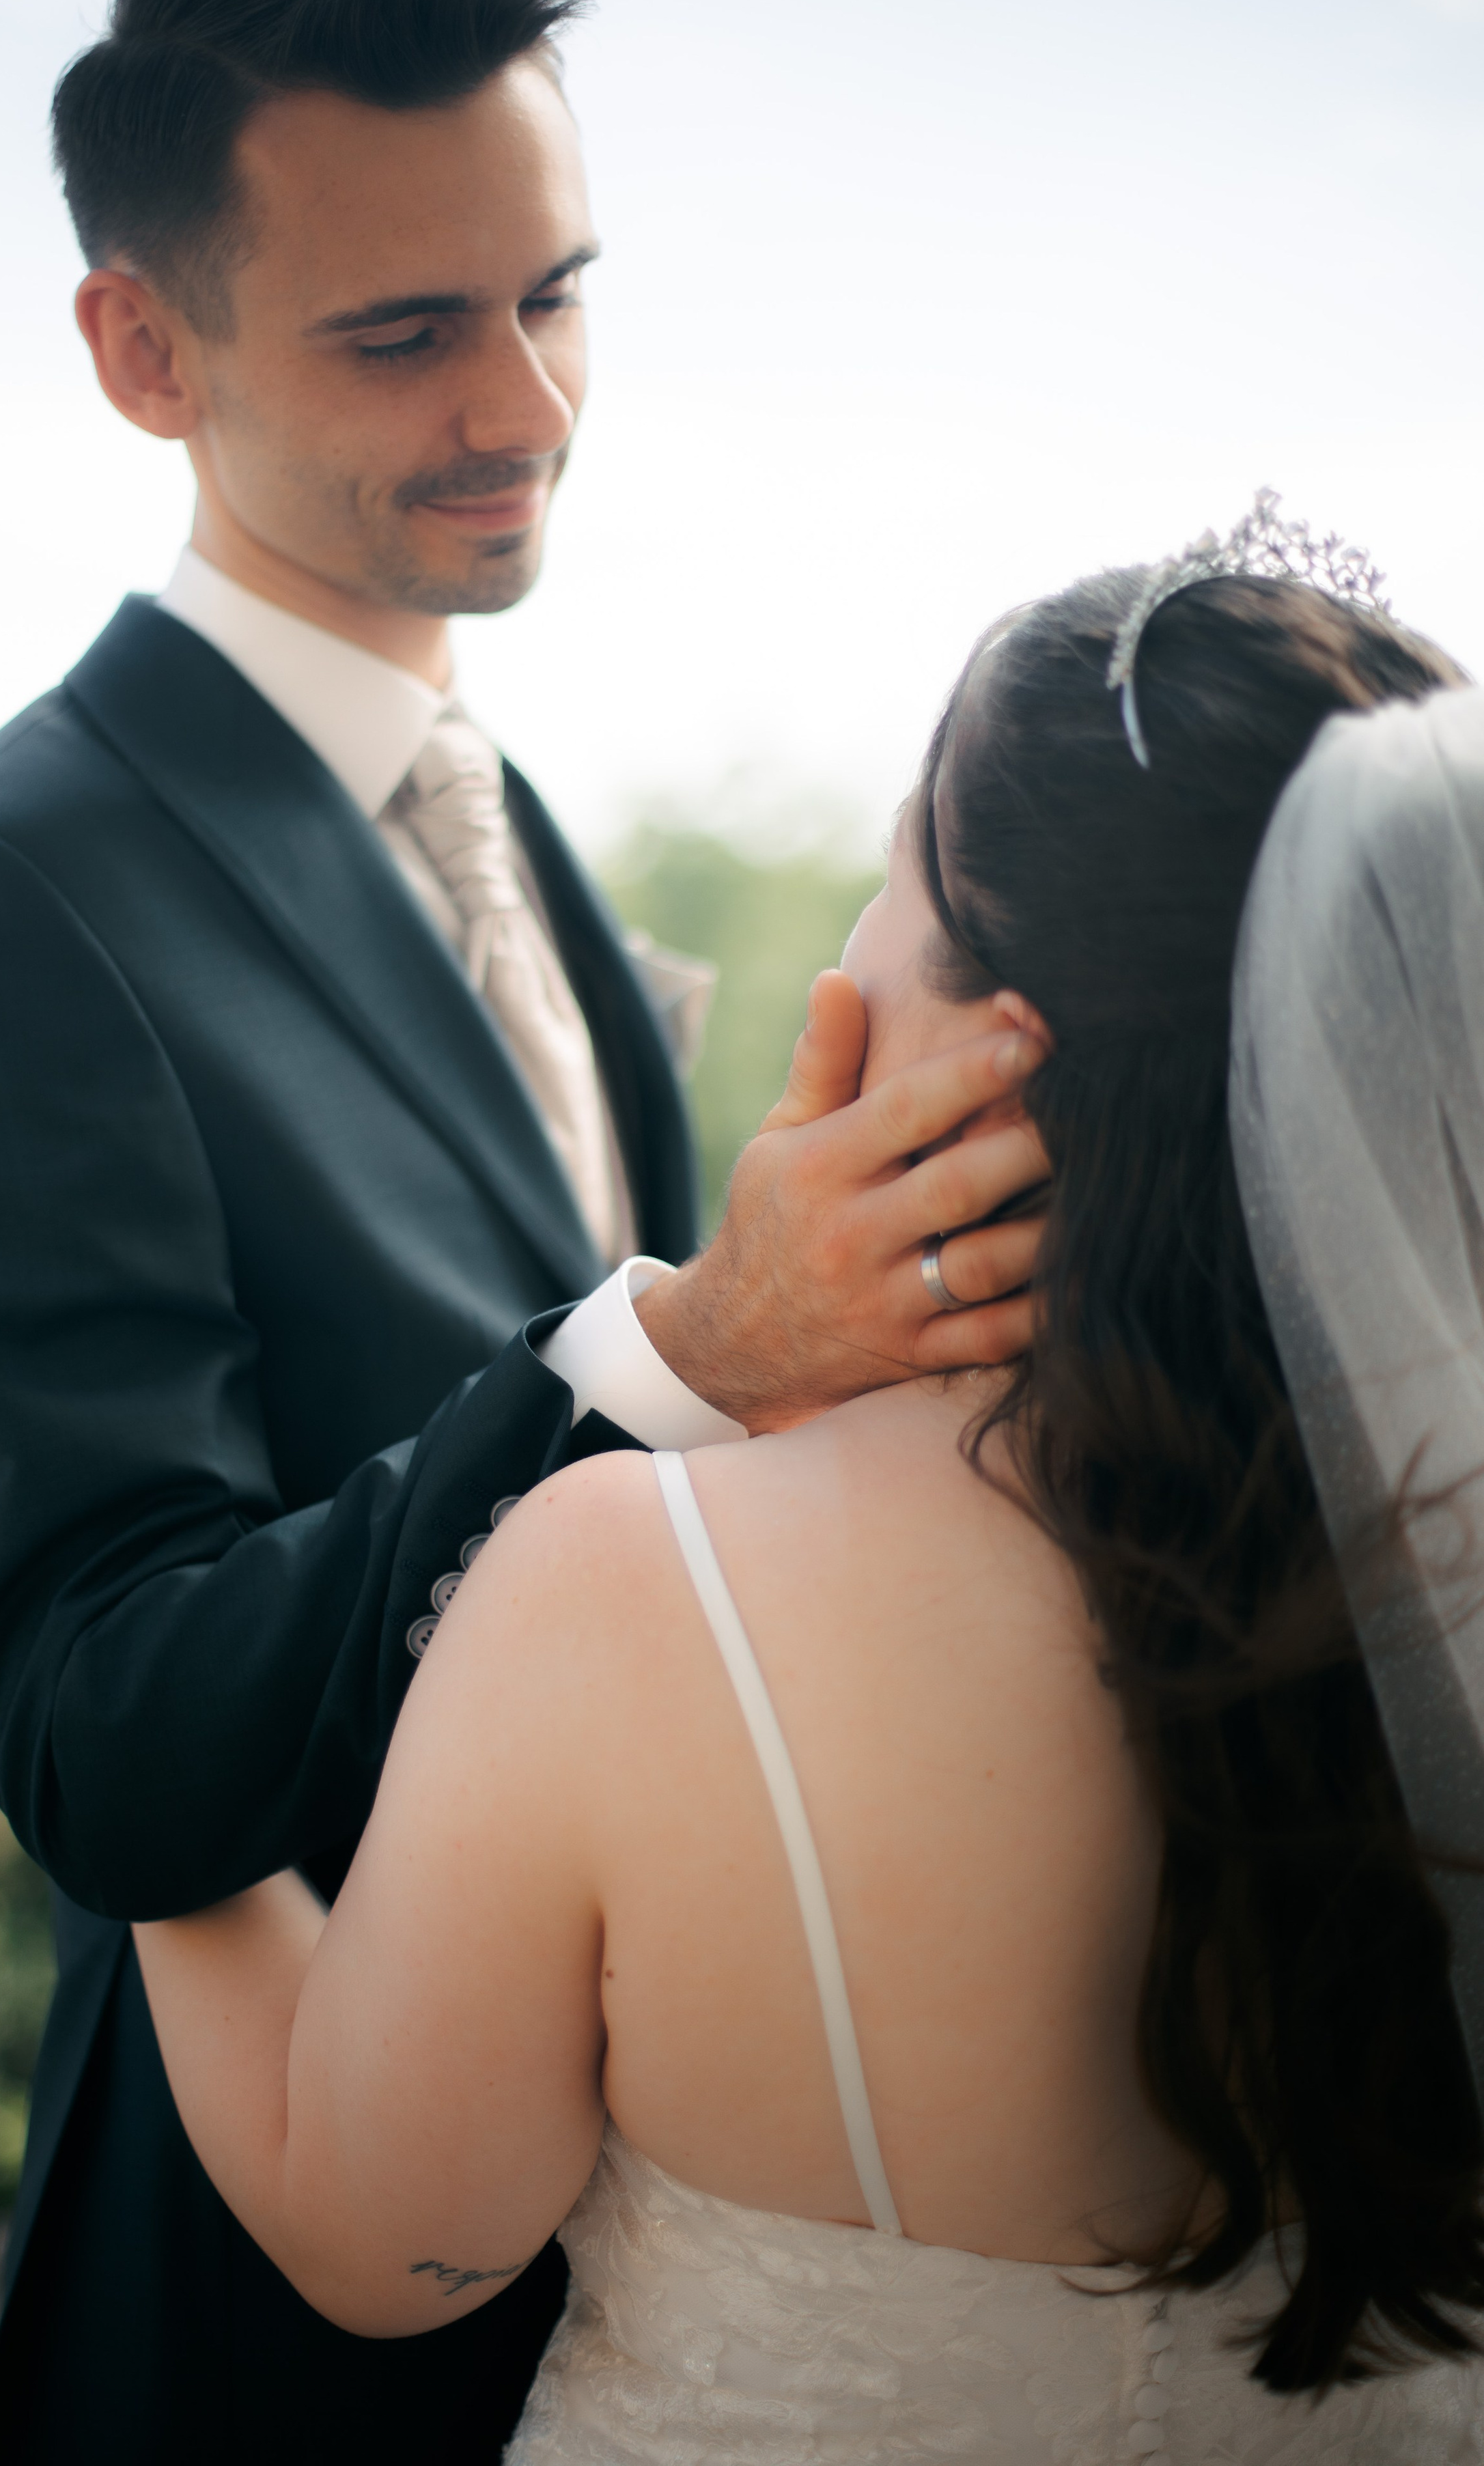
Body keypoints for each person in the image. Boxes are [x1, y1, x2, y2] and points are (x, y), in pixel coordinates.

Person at [0, 0, 1043, 2466]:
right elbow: (107, 1730)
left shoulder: (509, 822)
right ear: (143, 351)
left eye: (556, 295)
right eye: (406, 334)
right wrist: (683, 1348)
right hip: (275, 2317)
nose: (527, 402)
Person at [134, 514, 1484, 2461]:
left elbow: (380, 2236)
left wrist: (138, 1722)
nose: (851, 941)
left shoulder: (638, 1586)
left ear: (1000, 1045)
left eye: (895, 871)